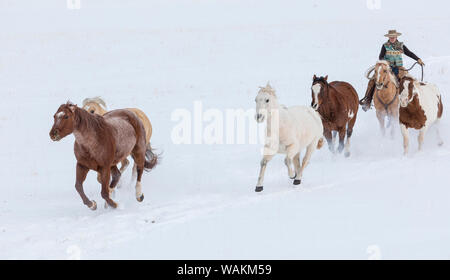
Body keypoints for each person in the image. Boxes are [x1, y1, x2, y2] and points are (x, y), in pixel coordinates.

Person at [359, 30, 424, 111]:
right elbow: (381, 57)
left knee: (408, 81)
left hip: (399, 68)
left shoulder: (401, 45)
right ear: (388, 37)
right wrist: (386, 63)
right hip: (387, 68)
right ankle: (367, 100)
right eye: (391, 37)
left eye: (393, 37)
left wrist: (418, 59)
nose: (392, 38)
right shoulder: (385, 46)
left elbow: (409, 53)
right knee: (372, 80)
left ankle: (412, 100)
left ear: (396, 37)